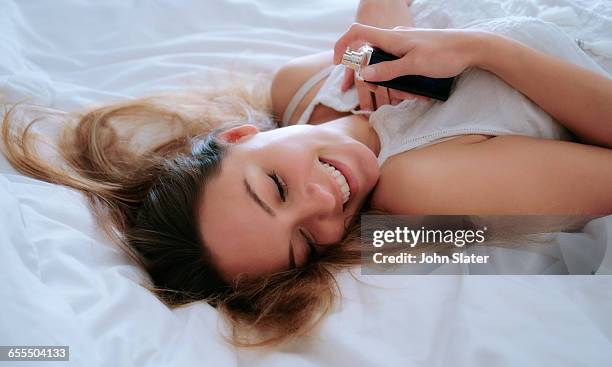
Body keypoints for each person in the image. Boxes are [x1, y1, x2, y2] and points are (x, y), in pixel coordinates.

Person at [2, 0, 611, 346]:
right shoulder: (416, 190)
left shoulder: (298, 88)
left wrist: (377, 38)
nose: (322, 203)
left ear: (239, 135)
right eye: (301, 242)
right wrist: (485, 50)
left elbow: (382, 24)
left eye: (274, 186)